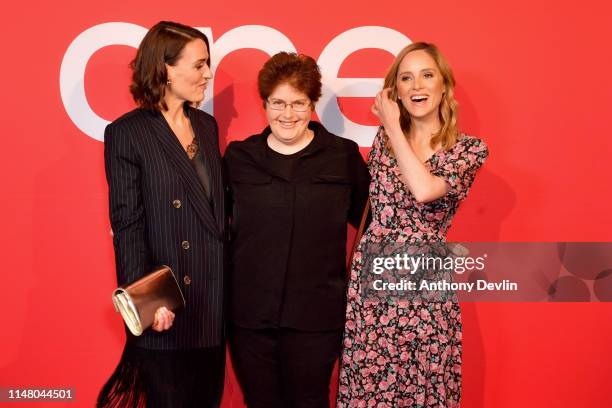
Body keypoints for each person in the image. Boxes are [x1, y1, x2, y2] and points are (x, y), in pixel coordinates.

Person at [336, 42, 489, 407]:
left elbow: (424, 190)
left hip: (425, 291)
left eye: (426, 75)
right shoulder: (383, 143)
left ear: (443, 86)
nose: (417, 85)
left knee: (424, 385)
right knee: (369, 389)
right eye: (406, 78)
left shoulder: (468, 150)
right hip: (372, 289)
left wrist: (391, 125)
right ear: (396, 92)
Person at [224, 52, 370, 408]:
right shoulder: (238, 158)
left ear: (312, 104)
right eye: (278, 103)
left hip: (317, 317)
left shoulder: (342, 156)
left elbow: (373, 225)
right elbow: (212, 226)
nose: (287, 115)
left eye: (298, 103)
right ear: (264, 104)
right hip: (249, 317)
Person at [98, 21, 226, 408]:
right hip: (167, 306)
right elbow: (128, 224)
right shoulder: (128, 132)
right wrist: (147, 303)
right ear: (166, 69)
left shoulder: (206, 125)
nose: (208, 73)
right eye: (199, 65)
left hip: (211, 301)